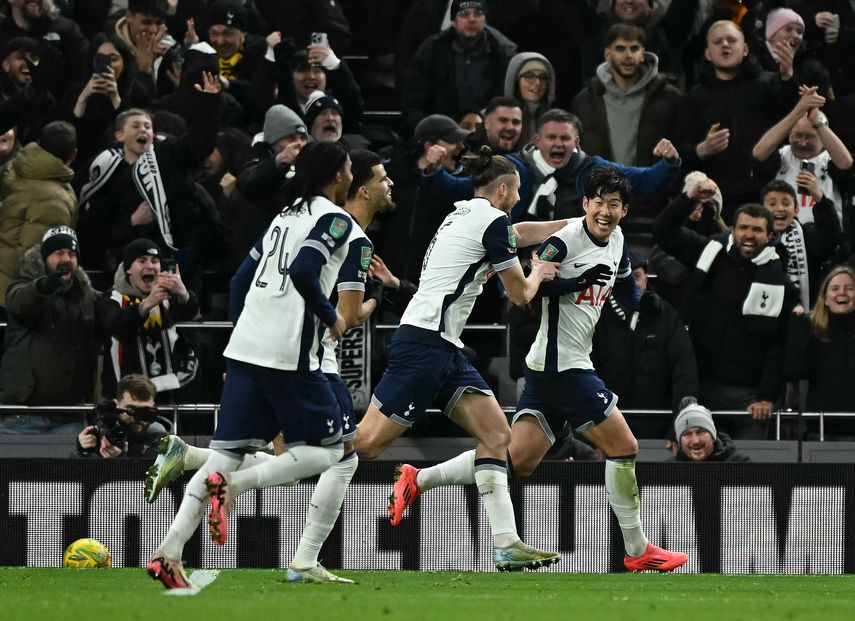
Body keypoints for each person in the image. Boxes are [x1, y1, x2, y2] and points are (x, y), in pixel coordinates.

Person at [389, 166, 689, 573]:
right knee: (624, 447)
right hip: (562, 367)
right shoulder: (562, 243)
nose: (604, 211)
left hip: (557, 365)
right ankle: (637, 548)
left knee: (516, 460)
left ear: (624, 210)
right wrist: (572, 280)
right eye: (597, 202)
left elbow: (620, 281)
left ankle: (417, 479)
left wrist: (637, 305)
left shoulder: (617, 240)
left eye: (613, 204)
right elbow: (529, 290)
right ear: (585, 204)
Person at [146, 149, 395, 584]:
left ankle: (169, 553)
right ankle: (239, 490)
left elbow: (240, 279)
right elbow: (305, 272)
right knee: (336, 450)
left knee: (226, 454)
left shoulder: (285, 215)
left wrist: (246, 331)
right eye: (352, 171)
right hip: (290, 354)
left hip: (246, 349)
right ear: (340, 177)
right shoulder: (338, 223)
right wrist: (331, 314)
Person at [354, 145, 566, 572]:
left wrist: (572, 227)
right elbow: (520, 294)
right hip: (423, 346)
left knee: (497, 437)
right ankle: (262, 454)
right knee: (365, 445)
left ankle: (505, 543)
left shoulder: (465, 213)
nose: (519, 199)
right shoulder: (490, 222)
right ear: (503, 189)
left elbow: (520, 231)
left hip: (442, 345)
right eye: (517, 191)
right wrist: (541, 270)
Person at [652, 180, 794, 439]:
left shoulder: (782, 285)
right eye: (743, 228)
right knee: (693, 470)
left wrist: (766, 397)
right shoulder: (709, 252)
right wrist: (689, 197)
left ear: (770, 236)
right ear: (733, 231)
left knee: (748, 474)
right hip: (700, 387)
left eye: (757, 230)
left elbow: (778, 347)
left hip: (748, 398)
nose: (749, 235)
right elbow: (663, 231)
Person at [77, 70, 222, 271]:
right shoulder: (107, 172)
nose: (143, 130)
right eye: (135, 126)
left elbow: (199, 144)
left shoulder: (168, 157)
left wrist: (209, 104)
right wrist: (132, 222)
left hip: (170, 261)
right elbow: (96, 230)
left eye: (147, 126)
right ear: (119, 135)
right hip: (123, 267)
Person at [675, 19, 798, 220]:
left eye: (731, 40)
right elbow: (680, 152)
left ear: (745, 49)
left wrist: (788, 78)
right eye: (718, 42)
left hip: (768, 195)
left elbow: (795, 119)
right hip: (718, 201)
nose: (725, 44)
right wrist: (702, 150)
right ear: (707, 53)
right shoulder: (694, 98)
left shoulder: (770, 84)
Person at [0, 227, 106, 433]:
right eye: (59, 253)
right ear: (44, 258)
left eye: (72, 254)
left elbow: (113, 314)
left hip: (69, 418)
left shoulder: (86, 296)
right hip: (20, 417)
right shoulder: (23, 284)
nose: (66, 259)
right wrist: (43, 287)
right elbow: (19, 303)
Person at [591, 255, 699, 439]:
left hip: (659, 428)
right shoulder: (596, 318)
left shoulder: (667, 315)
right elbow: (587, 376)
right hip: (611, 430)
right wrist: (596, 437)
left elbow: (684, 372)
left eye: (636, 276)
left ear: (646, 279)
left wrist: (677, 430)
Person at [99, 238, 199, 400]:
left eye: (155, 261)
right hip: (123, 397)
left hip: (164, 394)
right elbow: (115, 322)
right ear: (129, 268)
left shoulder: (165, 295)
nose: (150, 266)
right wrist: (146, 305)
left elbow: (189, 311)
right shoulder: (112, 297)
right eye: (142, 260)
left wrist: (183, 293)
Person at [571, 23, 681, 168]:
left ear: (642, 54)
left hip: (652, 187)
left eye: (634, 49)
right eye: (620, 49)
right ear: (607, 55)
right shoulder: (585, 100)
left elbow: (682, 147)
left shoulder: (669, 96)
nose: (628, 55)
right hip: (601, 187)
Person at [401, 0, 517, 132]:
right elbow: (413, 102)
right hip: (441, 135)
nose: (472, 19)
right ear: (453, 22)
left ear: (485, 20)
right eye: (464, 14)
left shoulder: (503, 53)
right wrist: (431, 133)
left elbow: (507, 102)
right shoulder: (432, 50)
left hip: (489, 133)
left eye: (478, 14)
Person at [752, 85, 853, 227]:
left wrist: (817, 122)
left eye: (810, 137)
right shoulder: (781, 156)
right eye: (797, 136)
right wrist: (798, 112)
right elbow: (758, 153)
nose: (803, 143)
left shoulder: (831, 158)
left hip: (826, 236)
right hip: (781, 237)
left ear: (823, 137)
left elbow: (847, 164)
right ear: (789, 135)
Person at [0, 120, 77, 307]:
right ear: (74, 155)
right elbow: (33, 260)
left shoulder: (14, 166)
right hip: (11, 295)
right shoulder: (56, 202)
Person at [785, 265, 855, 440]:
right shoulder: (811, 329)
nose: (842, 293)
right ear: (825, 298)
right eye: (835, 288)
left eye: (849, 288)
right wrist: (798, 328)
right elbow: (795, 370)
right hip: (822, 430)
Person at [760, 179, 840, 310]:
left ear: (796, 209)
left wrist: (821, 200)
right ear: (762, 209)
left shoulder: (808, 235)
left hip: (805, 315)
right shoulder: (755, 239)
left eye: (786, 203)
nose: (779, 208)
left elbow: (831, 237)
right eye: (772, 204)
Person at [77, 374, 171, 459]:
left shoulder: (159, 434)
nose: (137, 418)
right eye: (131, 410)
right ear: (117, 405)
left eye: (144, 411)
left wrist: (120, 460)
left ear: (152, 406)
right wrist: (84, 450)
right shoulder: (104, 428)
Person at [669, 400, 750, 462]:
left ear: (713, 436)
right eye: (687, 434)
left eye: (701, 432)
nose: (696, 441)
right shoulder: (668, 471)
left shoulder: (741, 465)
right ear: (679, 441)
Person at [503, 52, 554, 146]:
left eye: (543, 77)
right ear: (515, 81)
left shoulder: (556, 120)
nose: (538, 82)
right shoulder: (495, 116)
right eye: (529, 76)